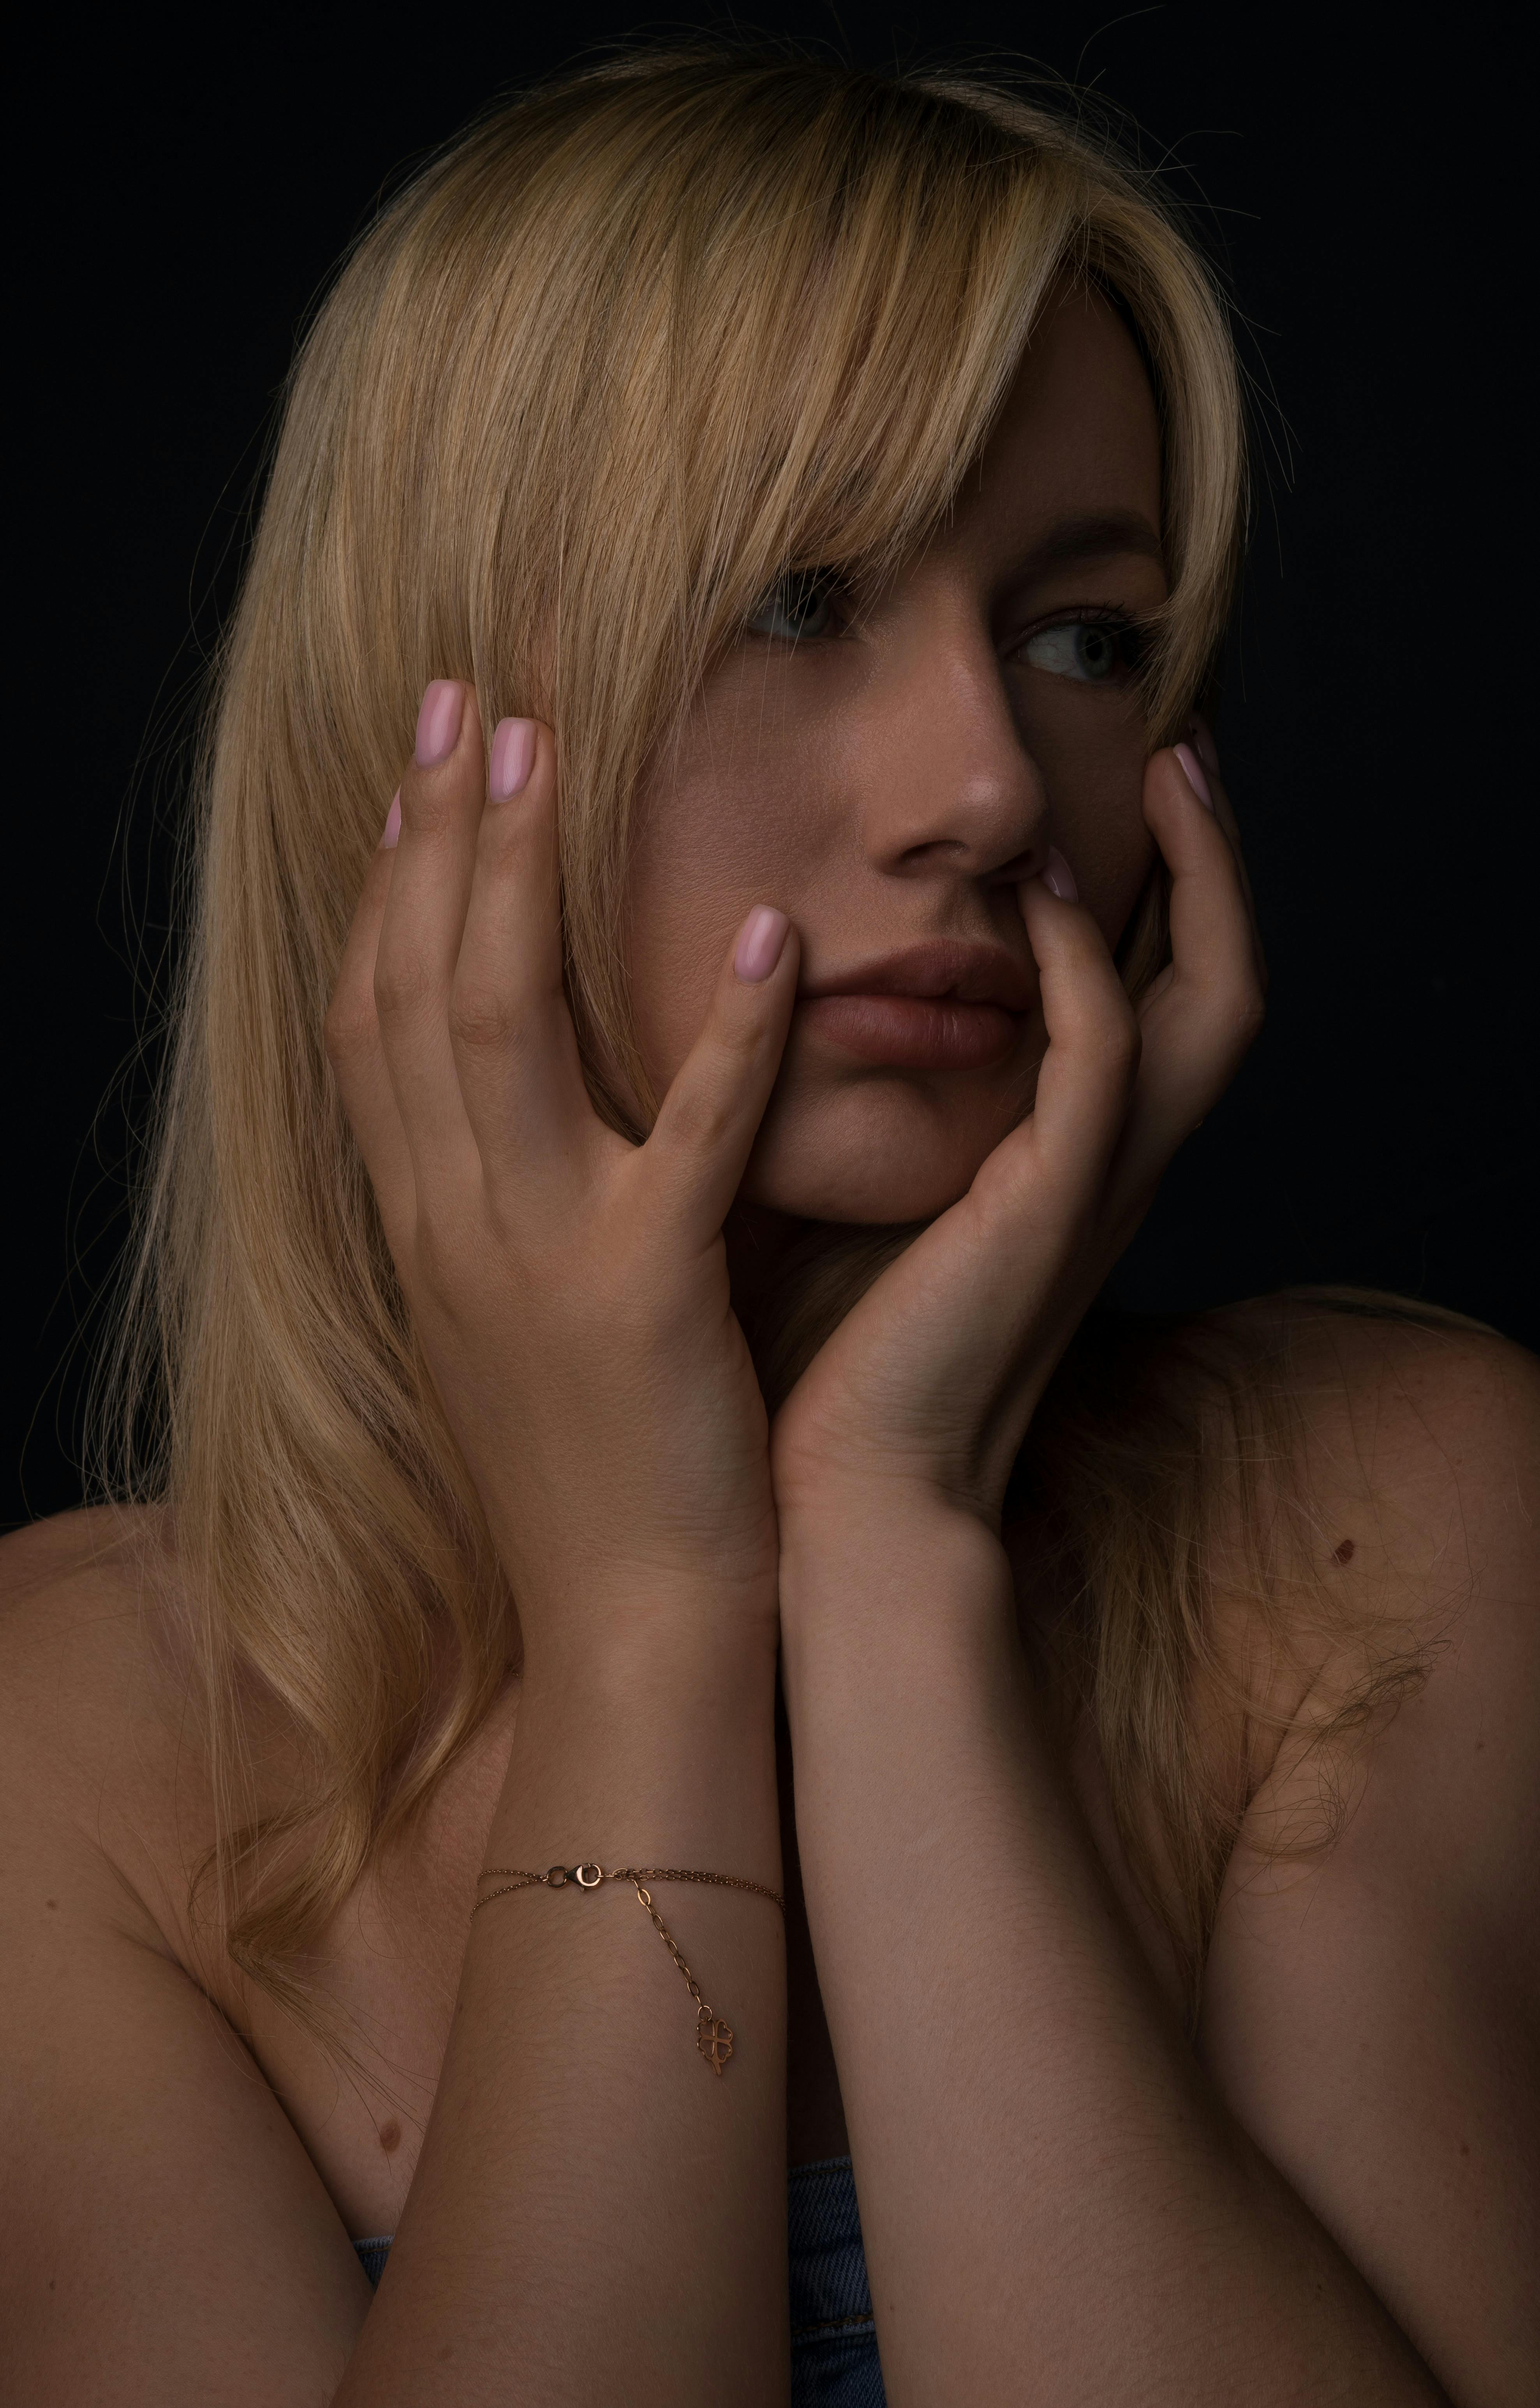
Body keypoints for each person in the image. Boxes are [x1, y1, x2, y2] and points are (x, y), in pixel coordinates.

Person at [3, 46, 1534, 2408]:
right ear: (416, 731)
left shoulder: (1394, 1526)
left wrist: (885, 1550)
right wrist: (645, 1619)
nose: (990, 788)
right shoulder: (69, 1752)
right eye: (799, 594)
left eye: (1084, 635)